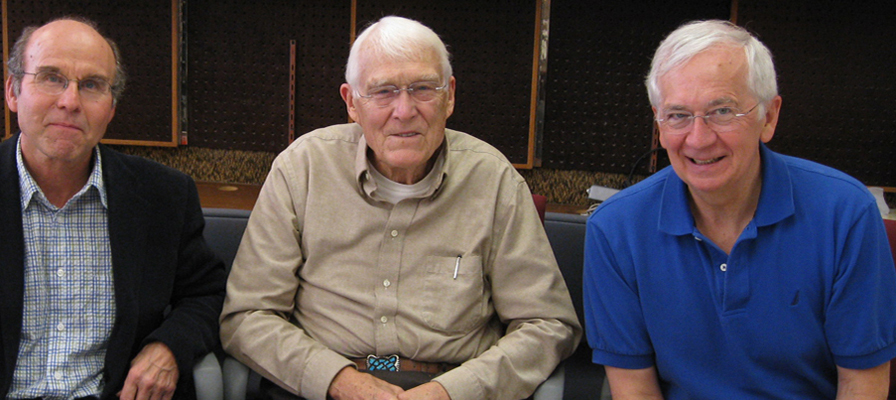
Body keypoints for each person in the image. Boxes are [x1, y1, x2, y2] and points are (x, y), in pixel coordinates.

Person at [220, 15, 580, 400]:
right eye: (383, 92)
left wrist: (449, 392)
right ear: (351, 102)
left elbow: (547, 325)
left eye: (423, 88)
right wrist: (339, 382)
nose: (404, 110)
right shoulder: (301, 169)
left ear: (450, 96)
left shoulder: (495, 181)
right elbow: (247, 317)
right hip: (323, 388)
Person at [0, 17, 227, 400]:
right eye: (50, 77)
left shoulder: (164, 196)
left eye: (91, 85)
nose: (70, 101)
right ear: (12, 91)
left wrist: (169, 346)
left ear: (110, 107)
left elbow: (207, 293)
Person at [583, 19, 896, 399]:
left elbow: (863, 384)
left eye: (722, 111)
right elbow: (633, 389)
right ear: (659, 123)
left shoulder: (846, 214)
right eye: (678, 115)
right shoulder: (614, 230)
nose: (698, 139)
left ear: (769, 116)